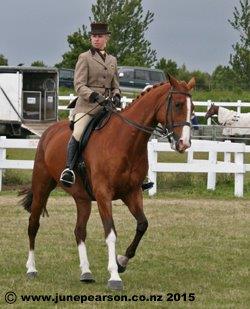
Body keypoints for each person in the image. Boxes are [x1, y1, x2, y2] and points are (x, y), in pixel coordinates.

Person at [60, 22, 121, 187]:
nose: (96, 39)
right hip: (87, 106)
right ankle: (69, 169)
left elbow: (115, 84)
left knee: (124, 133)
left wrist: (116, 95)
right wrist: (94, 96)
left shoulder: (112, 60)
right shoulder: (84, 57)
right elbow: (79, 85)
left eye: (100, 36)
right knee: (78, 133)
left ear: (106, 38)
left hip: (108, 107)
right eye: (94, 36)